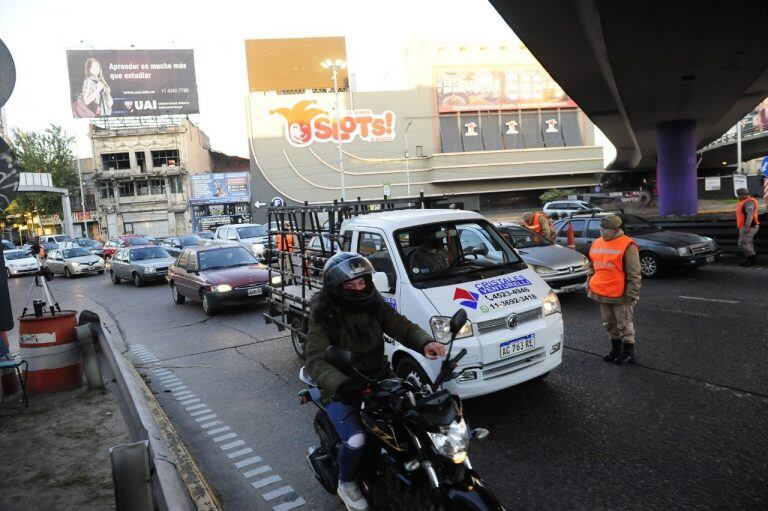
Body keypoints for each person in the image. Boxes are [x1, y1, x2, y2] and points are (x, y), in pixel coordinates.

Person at [305, 253, 446, 511]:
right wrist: (341, 384)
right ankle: (346, 483)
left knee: (415, 420)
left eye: (363, 282)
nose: (359, 289)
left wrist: (425, 342)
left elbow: (399, 324)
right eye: (351, 285)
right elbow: (315, 360)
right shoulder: (323, 316)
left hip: (380, 378)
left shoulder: (373, 302)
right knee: (357, 438)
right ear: (336, 288)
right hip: (343, 388)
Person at [587, 214, 642, 365]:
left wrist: (632, 293)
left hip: (621, 293)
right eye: (601, 227)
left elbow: (634, 273)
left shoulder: (628, 245)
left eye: (606, 228)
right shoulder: (597, 243)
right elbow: (593, 266)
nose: (602, 231)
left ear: (616, 229)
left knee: (624, 324)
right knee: (609, 323)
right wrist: (589, 282)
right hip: (602, 291)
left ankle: (628, 353)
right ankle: (615, 351)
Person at [736, 188, 760, 267]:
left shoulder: (749, 202)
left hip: (750, 226)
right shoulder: (744, 201)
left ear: (742, 195)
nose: (738, 197)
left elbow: (750, 216)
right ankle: (749, 259)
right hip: (745, 226)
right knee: (747, 243)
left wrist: (746, 227)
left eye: (738, 195)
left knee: (744, 242)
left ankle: (752, 260)